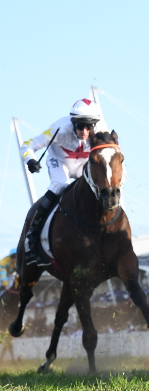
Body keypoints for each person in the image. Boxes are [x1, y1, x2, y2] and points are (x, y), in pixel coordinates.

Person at [21, 99, 108, 266]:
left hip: (84, 163)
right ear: (72, 122)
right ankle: (32, 235)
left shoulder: (102, 130)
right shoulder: (59, 129)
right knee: (60, 185)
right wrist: (30, 160)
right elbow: (28, 144)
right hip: (60, 162)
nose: (84, 131)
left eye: (88, 127)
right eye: (80, 125)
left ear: (94, 125)